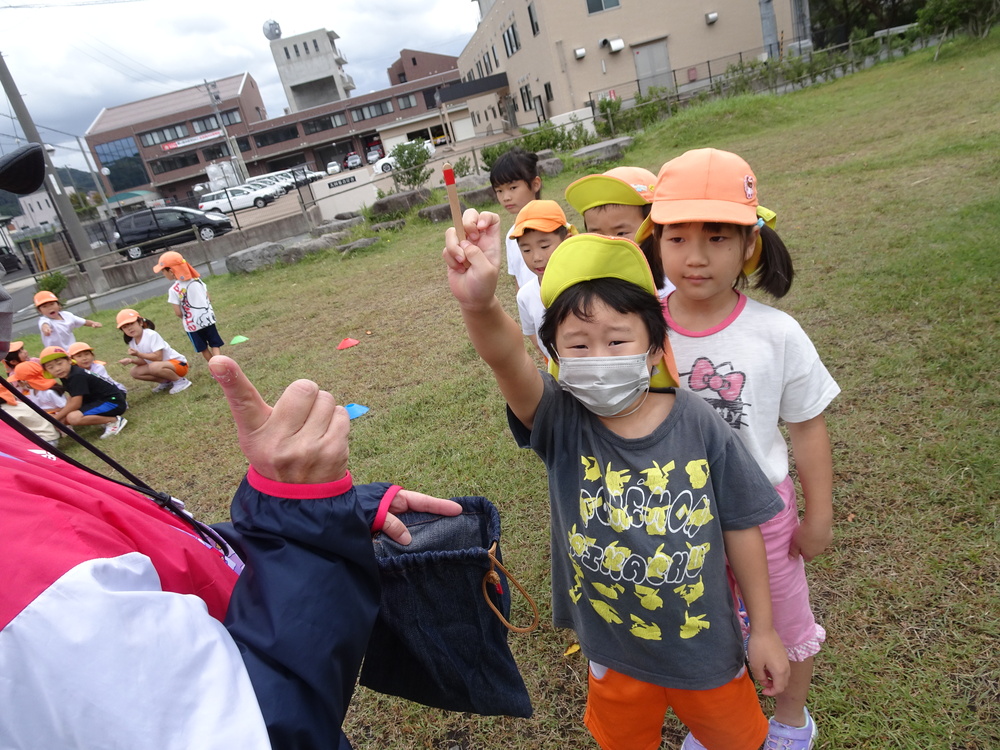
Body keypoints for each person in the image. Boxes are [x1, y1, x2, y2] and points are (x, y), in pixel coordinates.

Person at [0, 141, 463, 749]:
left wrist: (322, 512)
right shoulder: (25, 578)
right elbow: (252, 727)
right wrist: (303, 509)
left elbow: (144, 560)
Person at [444, 215, 790, 750]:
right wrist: (478, 304)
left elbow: (741, 524)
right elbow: (504, 356)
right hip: (612, 649)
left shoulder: (696, 419)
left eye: (617, 340)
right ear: (556, 357)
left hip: (708, 647)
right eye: (578, 347)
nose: (598, 359)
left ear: (654, 347)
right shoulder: (560, 420)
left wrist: (763, 629)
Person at [648, 148, 840, 750]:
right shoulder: (637, 325)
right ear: (655, 242)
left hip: (765, 514)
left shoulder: (775, 333)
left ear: (749, 244)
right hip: (674, 517)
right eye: (677, 237)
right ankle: (721, 725)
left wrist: (819, 513)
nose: (696, 256)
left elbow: (807, 426)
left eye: (717, 236)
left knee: (784, 625)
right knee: (702, 630)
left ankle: (788, 724)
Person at [564, 165, 674, 297]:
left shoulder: (676, 282)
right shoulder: (589, 285)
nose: (609, 243)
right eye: (597, 234)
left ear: (654, 228)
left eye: (621, 233)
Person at [510, 199, 577, 360]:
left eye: (545, 246)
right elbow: (531, 332)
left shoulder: (584, 284)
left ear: (566, 240)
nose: (536, 257)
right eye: (526, 250)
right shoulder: (525, 296)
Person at [40, 345, 128, 439]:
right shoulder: (67, 375)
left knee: (73, 417)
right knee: (66, 417)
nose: (57, 369)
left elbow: (76, 403)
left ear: (69, 360)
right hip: (101, 401)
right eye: (51, 367)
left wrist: (56, 418)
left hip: (113, 402)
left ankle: (114, 421)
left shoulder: (76, 375)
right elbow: (72, 397)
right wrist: (60, 416)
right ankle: (104, 420)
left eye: (59, 363)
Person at [153, 250, 225, 364]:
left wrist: (186, 316)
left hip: (192, 325)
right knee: (214, 343)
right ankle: (220, 363)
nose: (163, 274)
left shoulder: (174, 290)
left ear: (171, 271)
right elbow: (208, 298)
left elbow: (178, 312)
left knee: (203, 348)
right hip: (208, 318)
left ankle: (214, 367)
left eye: (163, 271)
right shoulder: (198, 280)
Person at [489, 147, 542, 290]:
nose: (506, 197)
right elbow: (518, 280)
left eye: (512, 188)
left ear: (535, 184)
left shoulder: (557, 228)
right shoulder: (512, 236)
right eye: (499, 191)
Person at [116, 308, 192, 394]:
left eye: (131, 324)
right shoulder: (132, 342)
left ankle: (180, 381)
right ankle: (166, 382)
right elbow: (144, 361)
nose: (129, 328)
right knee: (134, 372)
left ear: (140, 322)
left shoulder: (151, 335)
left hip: (179, 365)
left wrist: (138, 353)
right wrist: (131, 360)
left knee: (153, 367)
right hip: (161, 366)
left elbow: (158, 357)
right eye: (125, 327)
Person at [35, 290, 102, 349]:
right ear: (40, 311)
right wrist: (46, 329)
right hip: (56, 353)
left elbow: (83, 322)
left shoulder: (67, 315)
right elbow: (44, 325)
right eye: (44, 307)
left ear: (58, 305)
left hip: (71, 349)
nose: (49, 308)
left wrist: (93, 323)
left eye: (52, 304)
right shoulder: (44, 320)